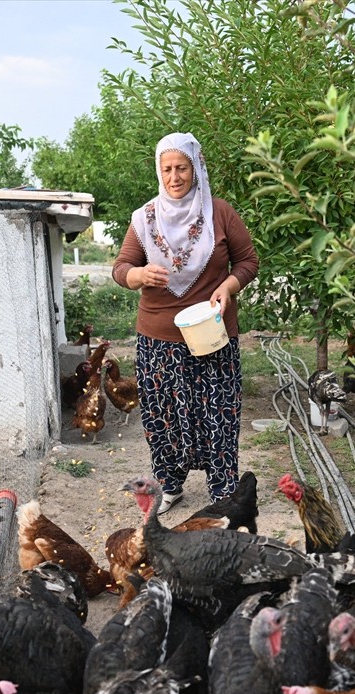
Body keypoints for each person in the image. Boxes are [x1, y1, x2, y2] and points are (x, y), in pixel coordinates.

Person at [112, 132, 260, 514]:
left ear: (196, 169)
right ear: (158, 172)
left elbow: (248, 262)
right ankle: (171, 485)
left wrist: (229, 286)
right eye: (167, 169)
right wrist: (139, 275)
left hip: (212, 335)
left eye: (182, 168)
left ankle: (224, 491)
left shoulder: (219, 213)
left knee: (218, 413)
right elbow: (120, 268)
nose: (174, 177)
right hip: (158, 337)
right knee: (163, 415)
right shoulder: (145, 218)